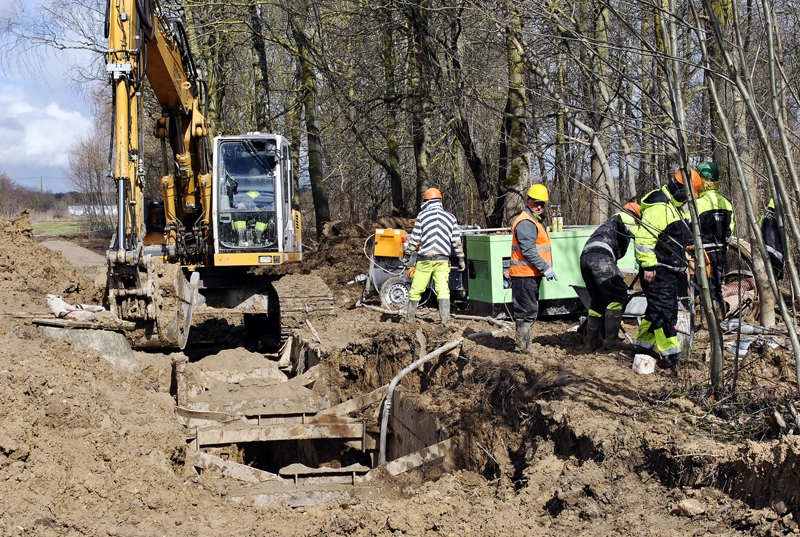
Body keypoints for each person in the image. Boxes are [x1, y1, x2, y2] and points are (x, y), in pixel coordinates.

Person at [632, 169, 700, 368]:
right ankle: (672, 356)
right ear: (680, 190)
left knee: (655, 312)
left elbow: (678, 241)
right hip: (658, 270)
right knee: (665, 313)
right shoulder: (659, 207)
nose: (688, 200)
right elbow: (644, 240)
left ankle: (641, 347)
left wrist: (684, 264)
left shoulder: (674, 207)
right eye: (688, 195)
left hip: (670, 270)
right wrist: (649, 265)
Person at [580, 201, 641, 350]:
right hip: (601, 256)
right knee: (618, 296)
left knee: (598, 302)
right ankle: (612, 341)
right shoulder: (624, 217)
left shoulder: (609, 225)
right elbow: (640, 237)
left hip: (586, 257)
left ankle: (592, 342)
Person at [403, 188, 465, 324]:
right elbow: (457, 240)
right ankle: (445, 320)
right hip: (442, 261)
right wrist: (461, 259)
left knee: (415, 290)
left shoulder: (422, 216)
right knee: (443, 290)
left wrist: (407, 256)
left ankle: (409, 320)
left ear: (427, 201)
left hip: (424, 260)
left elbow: (414, 239)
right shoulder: (451, 217)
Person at [509, 184, 556, 351]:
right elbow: (528, 251)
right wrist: (546, 268)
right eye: (536, 202)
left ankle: (524, 343)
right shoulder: (527, 222)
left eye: (542, 204)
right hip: (524, 274)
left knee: (527, 309)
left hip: (530, 273)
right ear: (527, 201)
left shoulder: (534, 220)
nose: (539, 206)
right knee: (526, 310)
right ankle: (523, 345)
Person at [695, 161, 734, 319]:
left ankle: (707, 320)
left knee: (703, 287)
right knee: (716, 287)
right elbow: (730, 229)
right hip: (719, 252)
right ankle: (718, 318)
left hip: (703, 253)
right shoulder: (727, 203)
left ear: (704, 179)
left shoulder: (698, 204)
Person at [760, 198, 785, 280]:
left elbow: (760, 224)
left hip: (767, 248)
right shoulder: (779, 212)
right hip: (774, 251)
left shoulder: (768, 211)